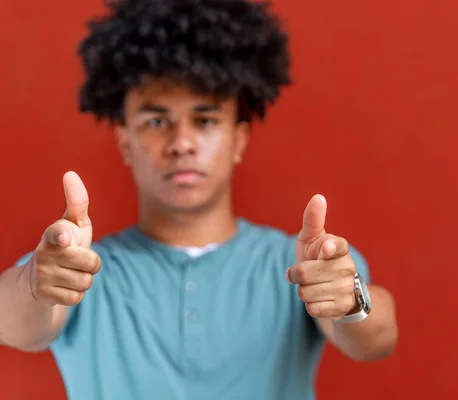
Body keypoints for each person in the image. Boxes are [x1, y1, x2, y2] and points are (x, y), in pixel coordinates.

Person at [0, 0, 398, 399]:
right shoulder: (79, 269)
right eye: (157, 121)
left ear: (238, 139)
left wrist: (349, 301)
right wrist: (35, 284)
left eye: (205, 120)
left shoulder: (301, 263)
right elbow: (12, 320)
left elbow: (377, 339)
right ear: (125, 142)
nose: (182, 143)